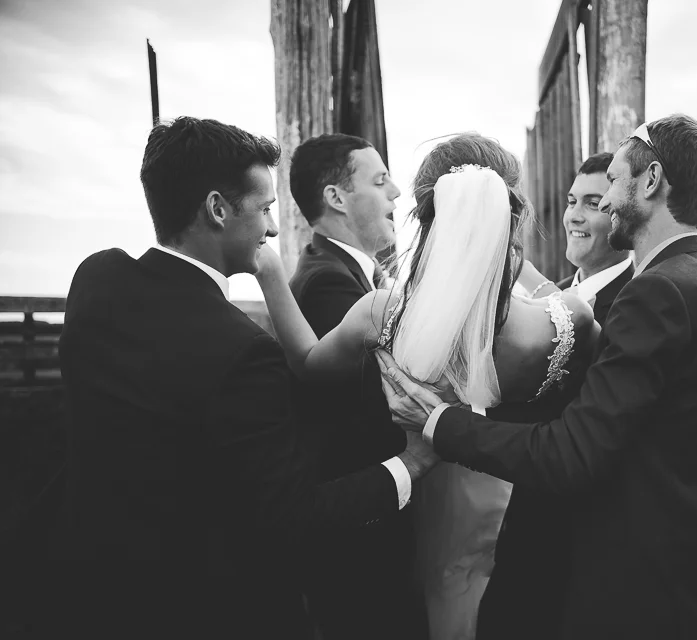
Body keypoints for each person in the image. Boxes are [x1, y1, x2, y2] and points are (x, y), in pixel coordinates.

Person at [56, 117, 437, 640]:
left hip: (93, 585)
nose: (274, 230)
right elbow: (293, 517)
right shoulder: (243, 352)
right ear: (217, 209)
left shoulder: (96, 279)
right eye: (264, 209)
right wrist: (413, 463)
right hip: (205, 606)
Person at [378, 114, 697, 639]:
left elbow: (572, 454)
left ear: (651, 181)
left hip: (641, 587)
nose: (607, 200)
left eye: (613, 181)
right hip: (686, 566)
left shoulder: (658, 291)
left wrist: (440, 422)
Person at [253, 133, 598, 640]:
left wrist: (269, 274)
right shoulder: (567, 319)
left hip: (428, 513)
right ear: (513, 212)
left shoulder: (382, 313)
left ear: (427, 215)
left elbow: (307, 362)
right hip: (527, 519)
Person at [285, 134, 427, 638]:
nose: (397, 194)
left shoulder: (346, 273)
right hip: (359, 537)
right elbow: (370, 415)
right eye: (380, 180)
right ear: (337, 197)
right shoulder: (328, 283)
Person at [556, 152, 634, 326]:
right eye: (572, 202)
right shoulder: (553, 294)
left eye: (592, 204)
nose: (574, 217)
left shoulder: (637, 304)